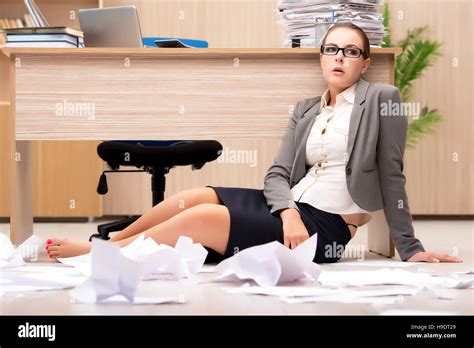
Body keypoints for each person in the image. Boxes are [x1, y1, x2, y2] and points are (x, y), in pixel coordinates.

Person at [46, 23, 462, 264]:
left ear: (365, 63)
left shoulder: (381, 100)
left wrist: (410, 248)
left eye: (351, 51)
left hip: (325, 226)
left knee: (201, 219)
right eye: (331, 49)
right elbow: (278, 173)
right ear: (320, 57)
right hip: (291, 209)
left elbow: (392, 175)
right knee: (193, 197)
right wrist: (288, 212)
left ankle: (97, 255)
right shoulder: (305, 109)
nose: (339, 57)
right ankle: (107, 244)